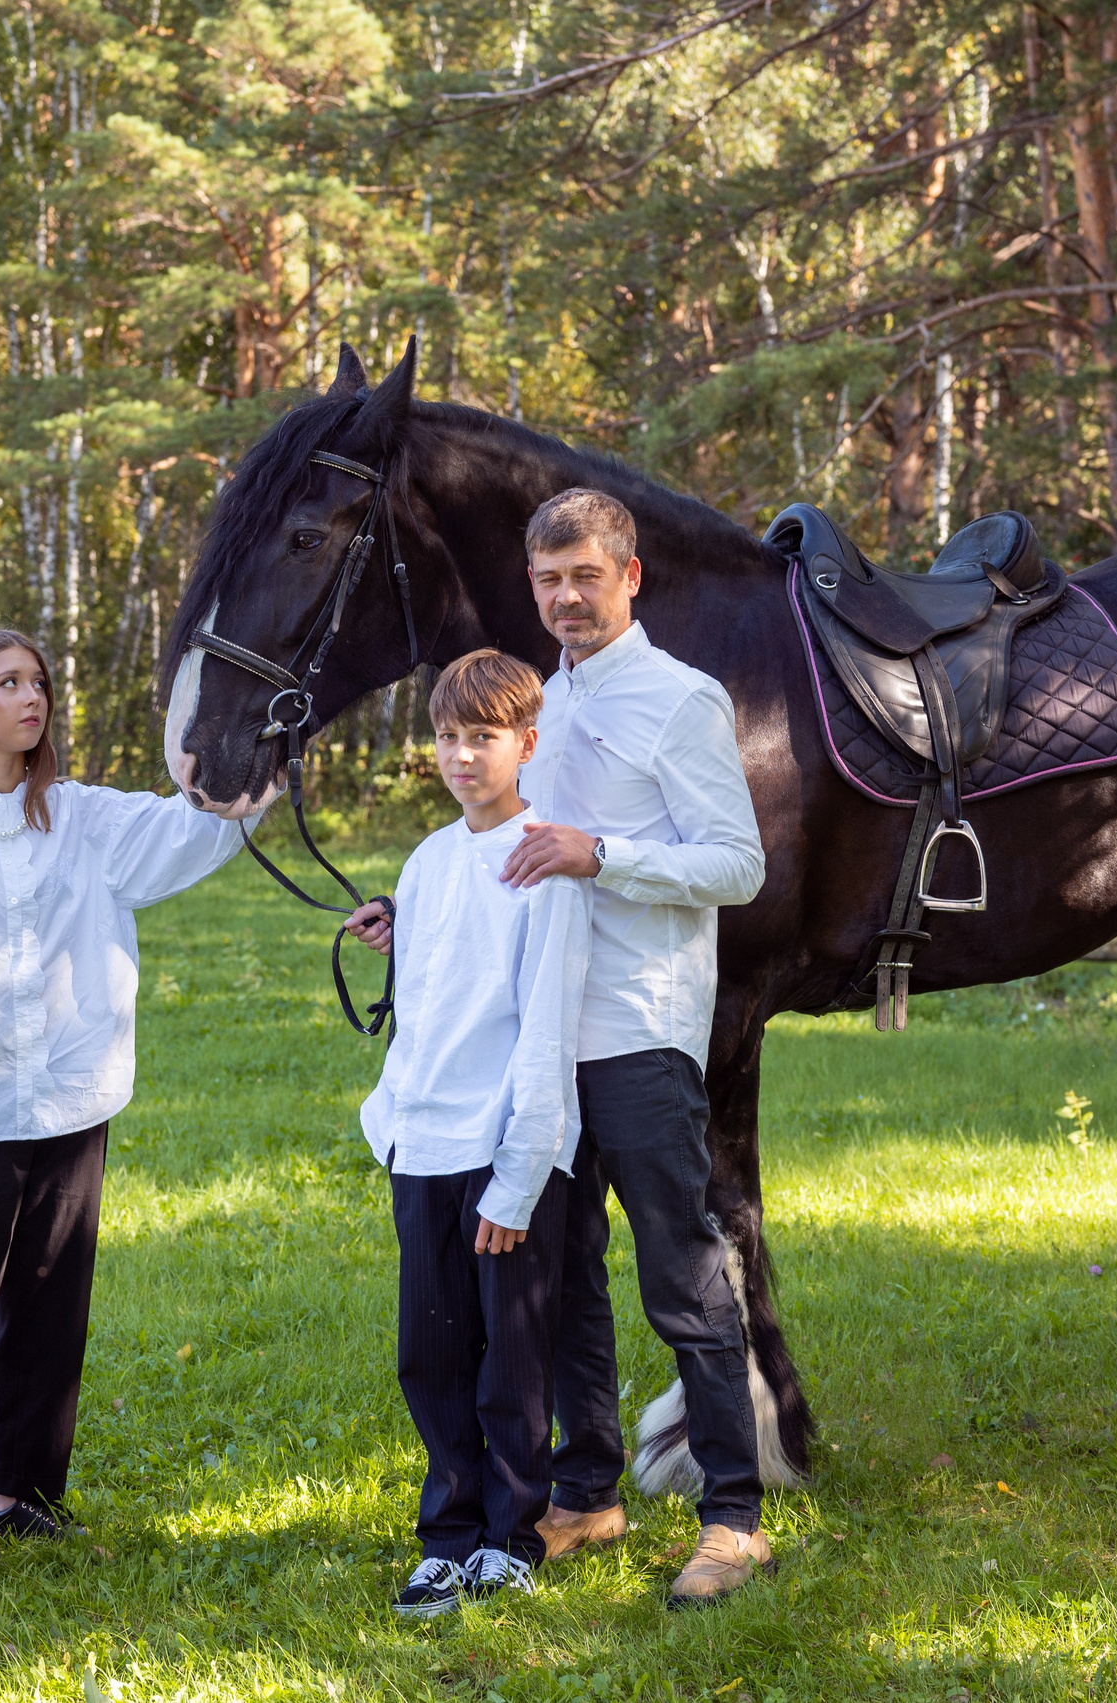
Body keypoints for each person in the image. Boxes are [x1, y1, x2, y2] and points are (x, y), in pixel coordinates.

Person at [0, 629, 252, 1556]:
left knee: (52, 1301)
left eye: (39, 682)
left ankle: (23, 1494)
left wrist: (255, 751)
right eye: (8, 681)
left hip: (70, 1099)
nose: (33, 698)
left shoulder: (85, 817)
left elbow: (200, 829)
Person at [503, 488, 772, 1606]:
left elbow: (736, 864)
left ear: (630, 574)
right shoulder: (536, 704)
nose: (566, 596)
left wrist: (599, 852)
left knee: (682, 1273)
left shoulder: (681, 700)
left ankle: (732, 1516)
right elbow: (513, 847)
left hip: (641, 1029)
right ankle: (588, 1491)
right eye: (548, 579)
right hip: (540, 1036)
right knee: (560, 1276)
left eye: (585, 575)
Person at [343, 650, 592, 1618]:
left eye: (482, 736)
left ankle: (511, 1533)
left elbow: (544, 1029)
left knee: (510, 1358)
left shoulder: (547, 859)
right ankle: (446, 1534)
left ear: (526, 743)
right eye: (447, 735)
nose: (461, 754)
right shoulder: (428, 857)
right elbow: (441, 993)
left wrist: (518, 1178)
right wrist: (401, 933)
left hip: (503, 1151)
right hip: (423, 1144)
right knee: (432, 1351)